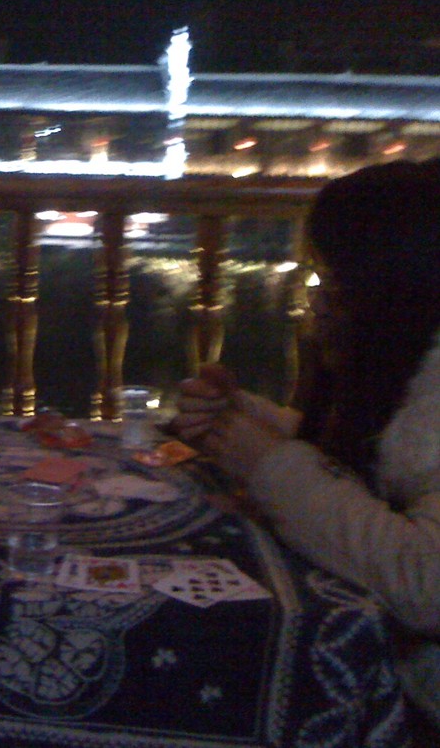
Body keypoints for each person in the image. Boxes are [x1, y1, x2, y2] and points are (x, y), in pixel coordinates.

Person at [171, 159, 440, 731]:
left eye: (334, 279)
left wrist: (271, 464)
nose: (318, 299)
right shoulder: (414, 356)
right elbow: (385, 465)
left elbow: (425, 583)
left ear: (393, 283)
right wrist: (246, 419)